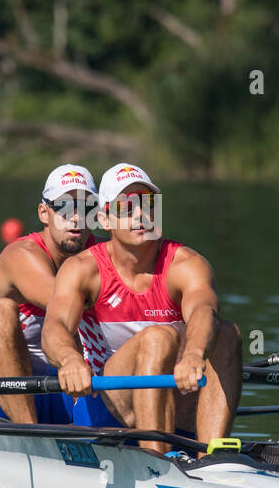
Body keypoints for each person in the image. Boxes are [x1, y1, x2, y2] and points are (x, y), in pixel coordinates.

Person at [41, 163, 242, 453]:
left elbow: (203, 310)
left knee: (226, 333)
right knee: (159, 337)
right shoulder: (83, 269)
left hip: (173, 397)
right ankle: (154, 456)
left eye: (147, 204)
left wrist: (195, 354)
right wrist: (70, 361)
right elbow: (55, 326)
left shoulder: (185, 264)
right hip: (105, 406)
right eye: (127, 206)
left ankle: (209, 455)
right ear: (104, 219)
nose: (140, 215)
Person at [0, 165, 100, 423]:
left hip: (63, 386)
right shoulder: (22, 256)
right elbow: (63, 302)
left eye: (85, 208)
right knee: (0, 314)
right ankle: (29, 435)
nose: (75, 218)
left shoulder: (102, 253)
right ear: (43, 213)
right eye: (64, 207)